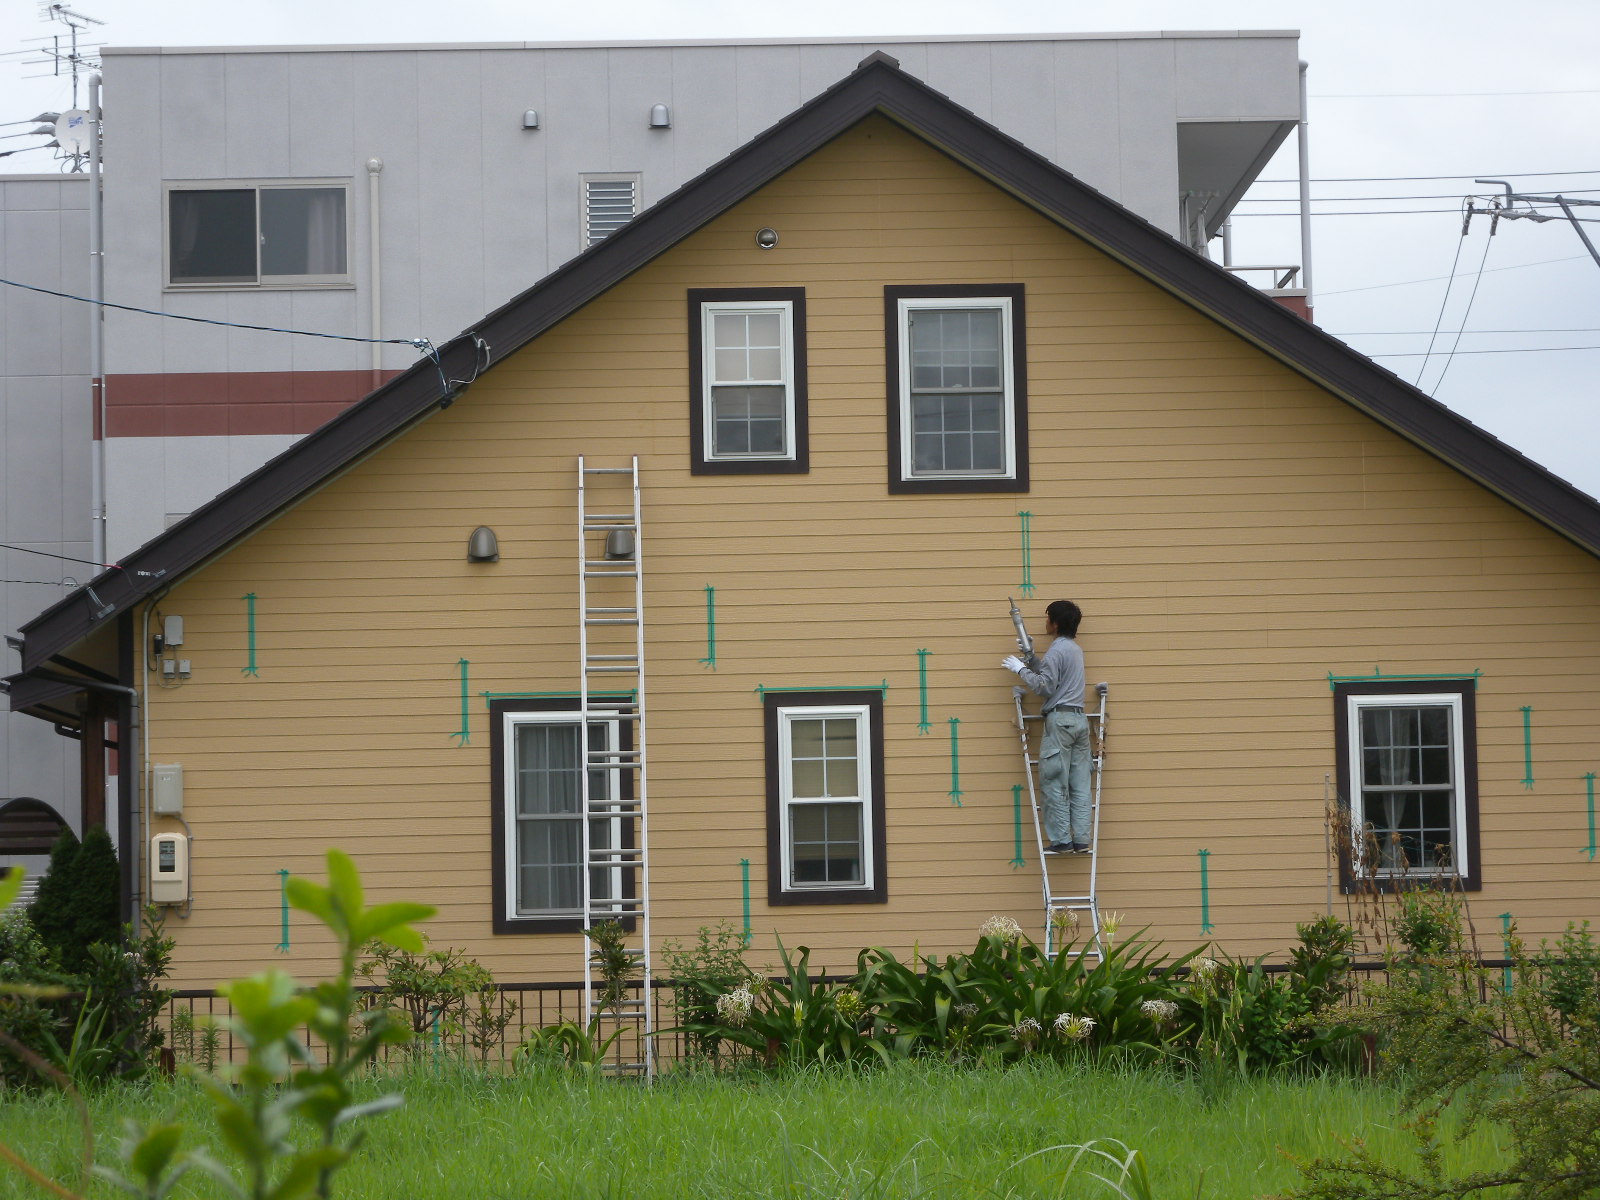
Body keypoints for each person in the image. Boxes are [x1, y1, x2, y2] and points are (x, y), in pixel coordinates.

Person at [1002, 600, 1091, 855]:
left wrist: (1020, 669)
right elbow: (1054, 678)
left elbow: (1045, 687)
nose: (1045, 622)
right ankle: (1081, 841)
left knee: (1054, 782)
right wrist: (1030, 658)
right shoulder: (1074, 649)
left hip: (1060, 721)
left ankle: (1062, 841)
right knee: (1080, 784)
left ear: (1055, 622)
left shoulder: (1057, 650)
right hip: (1079, 721)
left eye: (1047, 617)